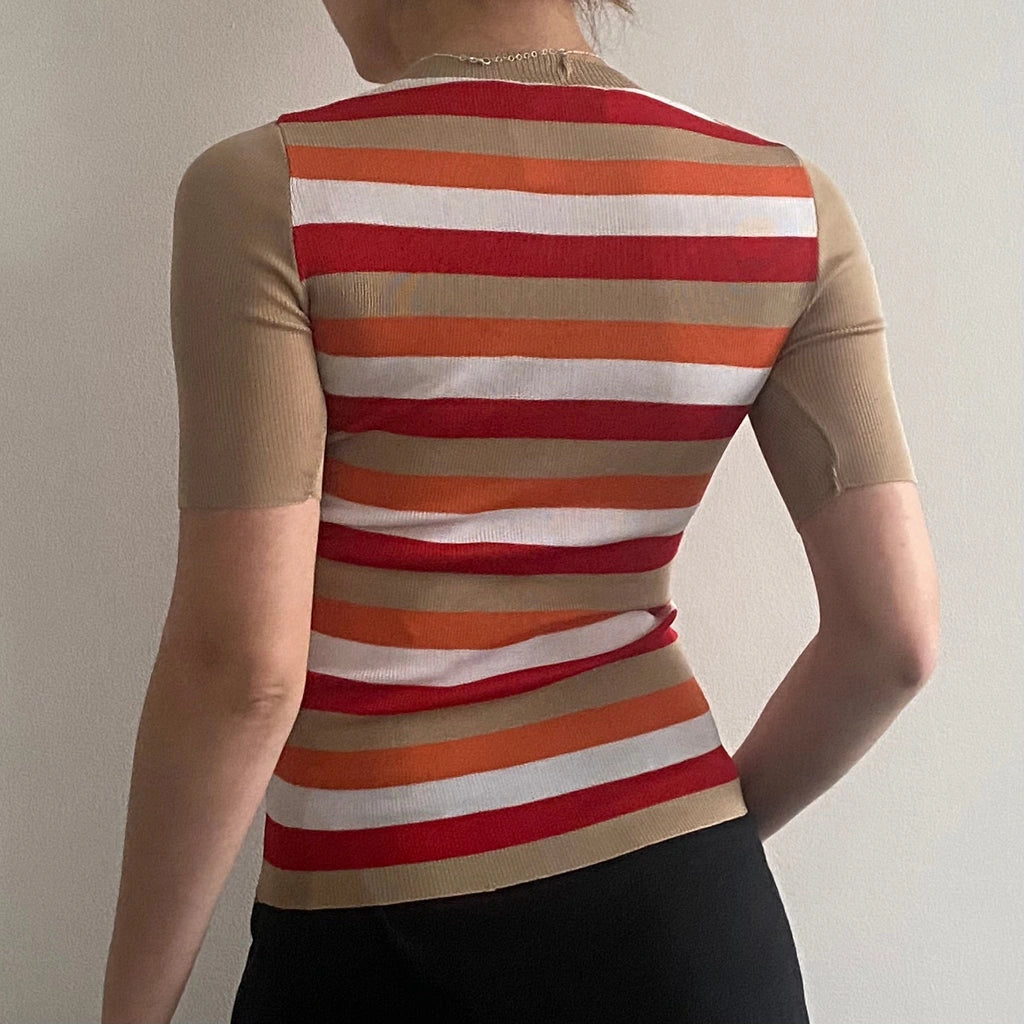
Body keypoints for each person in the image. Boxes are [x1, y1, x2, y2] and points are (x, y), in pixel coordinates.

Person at [101, 1, 941, 1022]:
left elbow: (240, 670)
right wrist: (688, 839)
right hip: (687, 926)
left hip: (378, 930)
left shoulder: (272, 192)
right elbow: (892, 639)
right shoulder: (785, 208)